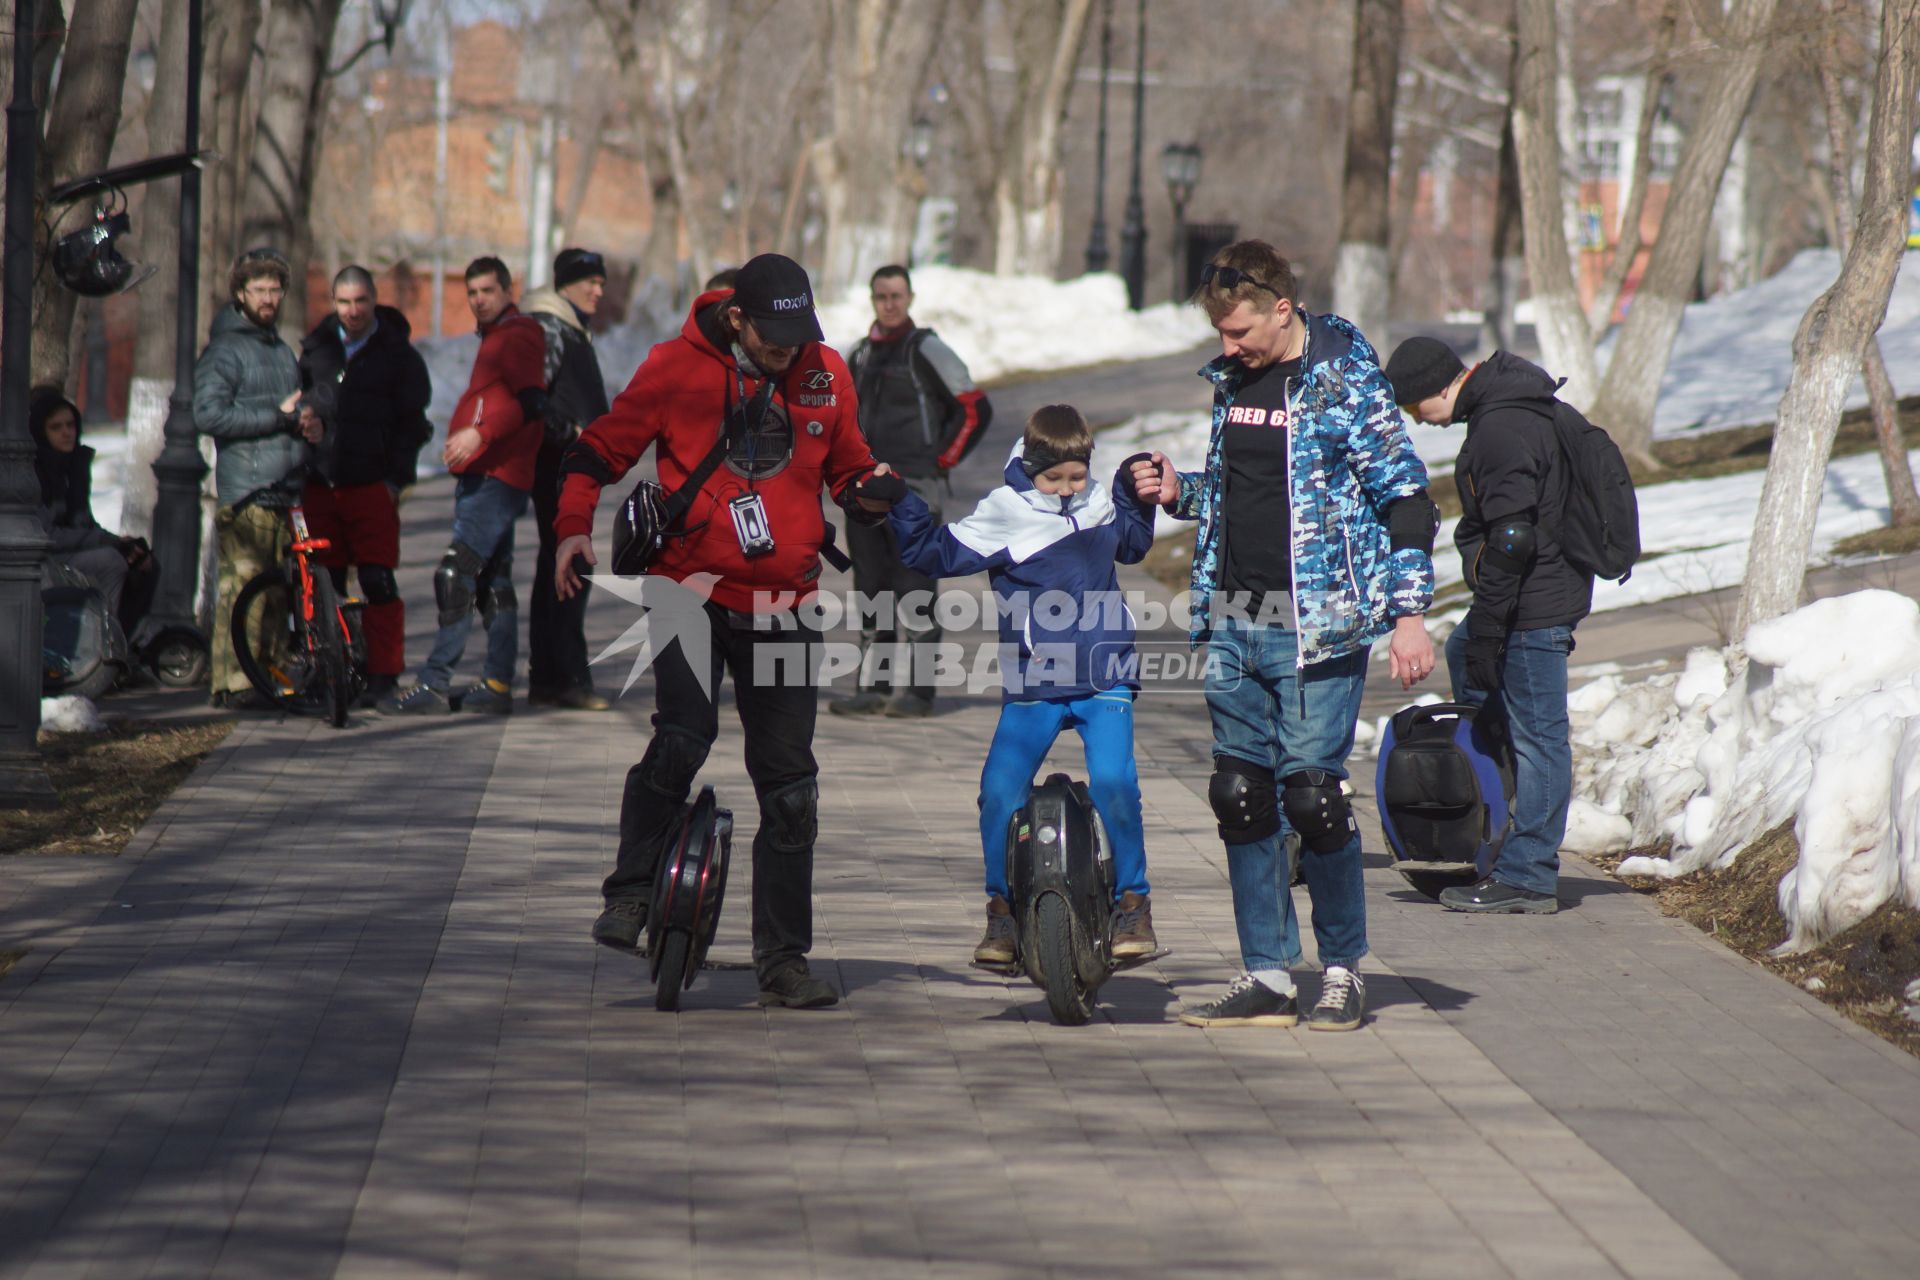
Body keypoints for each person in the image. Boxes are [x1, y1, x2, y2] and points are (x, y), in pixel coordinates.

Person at [552, 252, 900, 1009]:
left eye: (797, 335)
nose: (787, 351)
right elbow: (598, 450)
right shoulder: (675, 367)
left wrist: (871, 491)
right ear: (737, 317)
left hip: (784, 602)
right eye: (772, 337)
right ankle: (632, 891)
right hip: (689, 590)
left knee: (791, 792)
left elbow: (847, 466)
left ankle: (783, 958)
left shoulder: (824, 372)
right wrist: (572, 527)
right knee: (684, 733)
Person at [1132, 240, 1438, 1031]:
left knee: (1314, 798)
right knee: (1241, 797)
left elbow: (1406, 497)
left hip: (1318, 623)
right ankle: (1267, 974)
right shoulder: (1234, 380)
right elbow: (1253, 491)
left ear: (1281, 307)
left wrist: (1409, 614)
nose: (1227, 349)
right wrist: (1182, 491)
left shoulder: (1343, 376)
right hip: (1235, 617)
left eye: (1240, 333)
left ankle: (1340, 970)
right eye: (1221, 337)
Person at [890, 405, 1159, 964]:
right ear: (1031, 468)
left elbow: (1132, 544)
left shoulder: (1099, 499)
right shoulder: (1005, 511)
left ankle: (1134, 901)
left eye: (1077, 477)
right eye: (1054, 479)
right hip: (1035, 682)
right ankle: (1002, 914)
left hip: (1104, 675)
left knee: (1113, 780)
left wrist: (1133, 485)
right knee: (999, 793)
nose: (1067, 490)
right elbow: (932, 553)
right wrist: (899, 503)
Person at [1386, 337, 1590, 914]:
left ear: (1436, 389)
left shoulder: (1499, 427)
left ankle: (1527, 874)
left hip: (1533, 602)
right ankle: (1496, 809)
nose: (1414, 420)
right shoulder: (1511, 405)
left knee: (1540, 738)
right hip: (1534, 593)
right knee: (1469, 660)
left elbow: (1511, 538)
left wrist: (1493, 624)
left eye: (1412, 407)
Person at [381, 256, 547, 715]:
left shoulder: (518, 335)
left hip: (496, 477)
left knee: (454, 575)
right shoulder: (500, 336)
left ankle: (434, 683)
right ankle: (495, 684)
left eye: (487, 291)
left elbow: (533, 401)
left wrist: (480, 433)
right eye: (472, 292)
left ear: (507, 290)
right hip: (488, 474)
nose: (477, 300)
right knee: (493, 583)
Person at [833, 264, 992, 719]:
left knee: (914, 590)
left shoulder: (927, 349)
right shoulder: (860, 354)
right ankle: (873, 688)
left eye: (897, 295)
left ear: (910, 298)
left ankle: (919, 693)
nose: (889, 303)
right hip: (865, 493)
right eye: (881, 295)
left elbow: (974, 408)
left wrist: (940, 461)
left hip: (916, 492)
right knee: (872, 589)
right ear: (871, 298)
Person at [297, 265, 433, 706]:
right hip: (321, 483)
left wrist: (397, 479)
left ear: (374, 301)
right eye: (344, 302)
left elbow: (414, 425)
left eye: (361, 302)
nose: (353, 311)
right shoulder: (316, 350)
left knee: (377, 580)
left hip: (372, 484)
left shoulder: (399, 355)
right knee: (324, 583)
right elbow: (297, 408)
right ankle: (333, 670)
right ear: (332, 304)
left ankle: (383, 674)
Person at [194, 247, 315, 710]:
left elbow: (287, 413)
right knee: (242, 589)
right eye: (258, 289)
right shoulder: (227, 348)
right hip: (247, 492)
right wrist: (278, 418)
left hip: (285, 491)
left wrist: (305, 424)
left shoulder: (280, 348)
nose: (268, 297)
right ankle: (235, 684)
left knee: (280, 593)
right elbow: (209, 413)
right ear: (240, 293)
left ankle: (268, 676)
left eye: (275, 289)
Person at [522, 247, 613, 710]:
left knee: (556, 564)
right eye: (589, 282)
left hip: (570, 465)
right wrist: (572, 432)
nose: (598, 289)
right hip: (556, 466)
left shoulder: (571, 325)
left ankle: (548, 676)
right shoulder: (551, 325)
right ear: (564, 284)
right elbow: (532, 397)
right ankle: (568, 678)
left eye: (601, 281)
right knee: (571, 563)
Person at [30, 388, 153, 623]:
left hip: (67, 551)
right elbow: (47, 534)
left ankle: (127, 636)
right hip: (43, 558)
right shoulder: (37, 471)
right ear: (41, 432)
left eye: (70, 425)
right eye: (56, 427)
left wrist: (120, 542)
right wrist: (107, 542)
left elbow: (84, 522)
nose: (66, 433)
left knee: (141, 562)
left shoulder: (74, 465)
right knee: (110, 562)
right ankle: (104, 638)